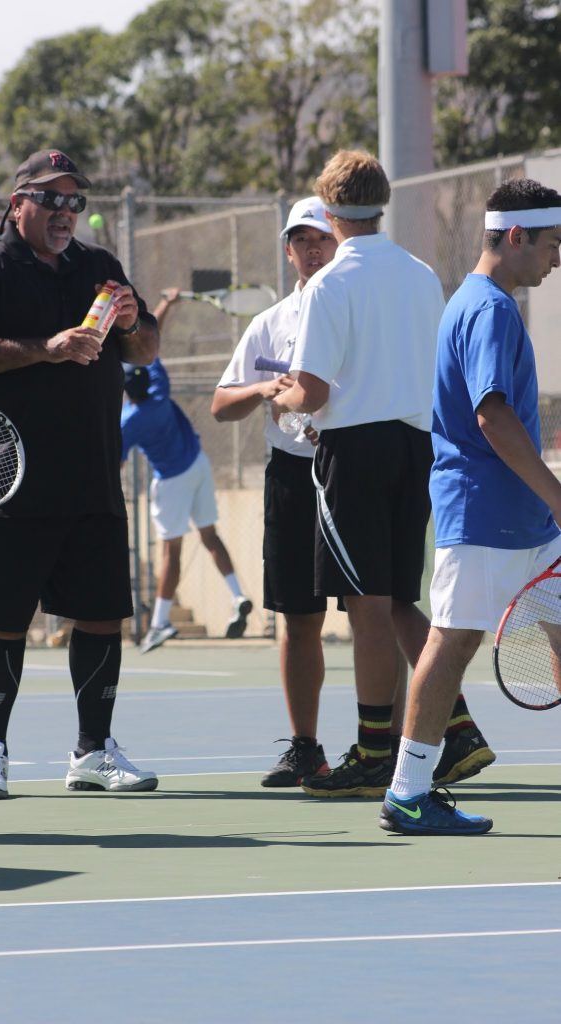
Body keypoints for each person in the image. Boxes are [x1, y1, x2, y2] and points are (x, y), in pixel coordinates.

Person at [0, 148, 160, 799]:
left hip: (92, 477)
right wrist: (45, 349)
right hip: (11, 478)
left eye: (74, 201)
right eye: (51, 199)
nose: (65, 213)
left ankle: (93, 751)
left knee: (99, 617)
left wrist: (132, 320)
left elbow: (144, 347)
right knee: (3, 620)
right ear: (18, 203)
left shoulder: (98, 267)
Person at [270, 151, 495, 798]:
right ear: (381, 202)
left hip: (357, 454)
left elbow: (310, 394)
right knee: (398, 597)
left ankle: (373, 754)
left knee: (365, 605)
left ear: (329, 209)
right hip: (416, 447)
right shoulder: (422, 274)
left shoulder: (329, 284)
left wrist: (280, 393)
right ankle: (455, 729)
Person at [379, 178, 561, 836]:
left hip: (525, 523)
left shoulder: (483, 303)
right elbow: (491, 416)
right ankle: (404, 793)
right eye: (550, 245)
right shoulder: (487, 310)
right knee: (450, 643)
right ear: (515, 237)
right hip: (486, 516)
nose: (556, 259)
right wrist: (556, 495)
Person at [211, 197, 337, 785]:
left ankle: (400, 741)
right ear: (288, 250)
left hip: (352, 471)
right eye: (300, 240)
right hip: (290, 477)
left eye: (321, 238)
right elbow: (220, 405)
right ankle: (305, 747)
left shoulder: (353, 307)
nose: (311, 249)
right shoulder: (270, 322)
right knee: (298, 618)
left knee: (381, 610)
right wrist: (264, 388)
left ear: (339, 241)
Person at [122, 288, 252, 654]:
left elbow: (115, 461)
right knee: (210, 537)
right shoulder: (159, 388)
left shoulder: (128, 421)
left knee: (171, 554)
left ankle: (161, 623)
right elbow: (152, 338)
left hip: (172, 483)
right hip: (199, 465)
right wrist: (166, 303)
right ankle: (238, 596)